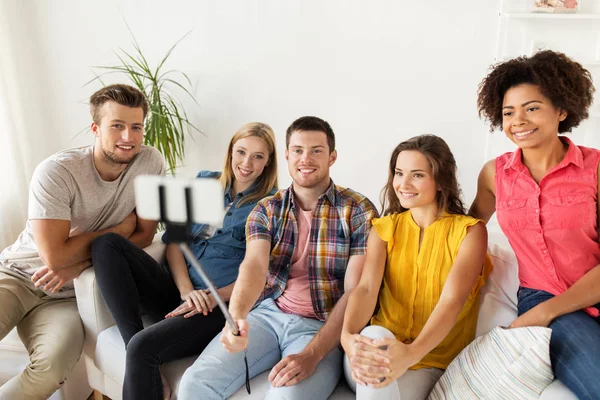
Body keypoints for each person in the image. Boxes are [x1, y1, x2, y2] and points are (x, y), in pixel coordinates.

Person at [177, 116, 379, 400]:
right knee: (193, 383)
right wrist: (236, 318)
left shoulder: (358, 210)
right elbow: (254, 266)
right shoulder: (267, 209)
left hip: (320, 325)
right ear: (286, 155)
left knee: (287, 397)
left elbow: (355, 291)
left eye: (316, 150)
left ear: (332, 157)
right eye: (297, 150)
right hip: (268, 315)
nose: (305, 158)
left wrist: (312, 354)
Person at [91, 122, 278, 400]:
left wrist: (212, 297)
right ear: (230, 152)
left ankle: (138, 353)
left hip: (215, 304)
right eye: (241, 152)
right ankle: (137, 355)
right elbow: (175, 242)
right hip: (180, 289)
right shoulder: (205, 182)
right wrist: (185, 289)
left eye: (258, 156)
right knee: (106, 244)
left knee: (145, 347)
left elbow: (262, 272)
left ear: (268, 163)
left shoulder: (272, 206)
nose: (246, 163)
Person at [0, 84, 165, 399]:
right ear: (95, 128)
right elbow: (53, 256)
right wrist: (119, 229)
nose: (128, 137)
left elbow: (144, 235)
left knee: (49, 369)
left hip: (66, 297)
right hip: (17, 275)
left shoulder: (150, 162)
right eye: (116, 126)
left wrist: (74, 267)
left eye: (136, 127)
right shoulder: (57, 172)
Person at [470, 49, 600, 400]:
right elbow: (463, 232)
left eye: (532, 108)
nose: (518, 121)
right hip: (545, 302)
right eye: (508, 112)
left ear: (561, 110)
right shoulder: (493, 175)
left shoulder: (596, 168)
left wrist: (548, 311)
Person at [341, 134, 492, 400]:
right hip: (376, 346)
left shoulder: (469, 233)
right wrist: (347, 337)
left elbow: (452, 301)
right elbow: (365, 290)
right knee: (376, 343)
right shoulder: (384, 229)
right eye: (399, 173)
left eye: (417, 175)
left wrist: (409, 355)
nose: (403, 184)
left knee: (379, 374)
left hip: (431, 361)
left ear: (441, 180)